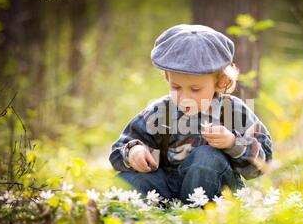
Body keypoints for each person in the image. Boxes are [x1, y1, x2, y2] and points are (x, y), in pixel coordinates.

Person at [109, 24, 272, 204]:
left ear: (221, 81)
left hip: (215, 187)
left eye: (195, 89)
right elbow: (119, 148)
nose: (185, 97)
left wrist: (232, 143)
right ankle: (130, 221)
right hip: (169, 186)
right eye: (176, 87)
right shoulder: (161, 111)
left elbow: (263, 162)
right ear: (167, 78)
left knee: (205, 157)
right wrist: (134, 151)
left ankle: (198, 221)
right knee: (126, 183)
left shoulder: (233, 111)